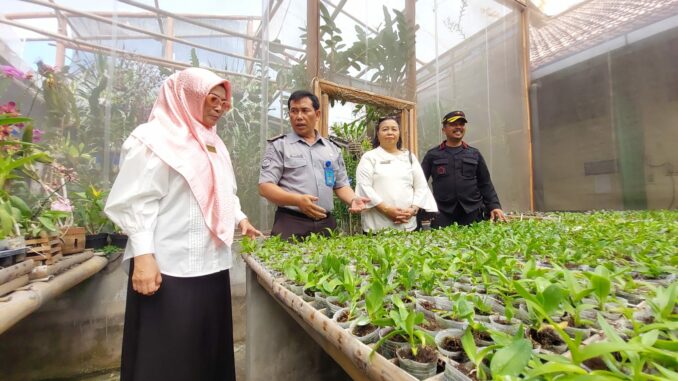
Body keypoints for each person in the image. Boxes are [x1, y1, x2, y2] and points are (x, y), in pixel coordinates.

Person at [105, 68, 262, 381]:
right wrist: (144, 257)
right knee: (167, 355)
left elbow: (224, 192)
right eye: (212, 99)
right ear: (186, 96)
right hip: (168, 266)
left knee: (206, 350)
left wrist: (240, 219)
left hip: (212, 263)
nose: (219, 107)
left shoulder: (215, 144)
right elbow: (136, 200)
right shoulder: (153, 139)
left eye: (224, 102)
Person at [258, 90, 368, 240]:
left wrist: (353, 199)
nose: (299, 117)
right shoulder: (280, 146)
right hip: (291, 222)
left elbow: (341, 185)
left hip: (326, 223)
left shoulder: (332, 149)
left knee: (329, 263)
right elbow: (265, 187)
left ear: (317, 115)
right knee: (286, 263)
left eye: (304, 110)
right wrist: (297, 200)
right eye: (294, 111)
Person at [421, 110, 507, 228]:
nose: (458, 127)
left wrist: (494, 206)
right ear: (444, 129)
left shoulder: (474, 154)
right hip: (442, 212)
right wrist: (421, 207)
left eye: (461, 124)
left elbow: (485, 183)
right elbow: (420, 183)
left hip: (472, 211)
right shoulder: (433, 155)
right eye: (453, 124)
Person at [355, 116, 437, 232]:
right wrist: (387, 210)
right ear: (377, 134)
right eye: (385, 129)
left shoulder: (409, 157)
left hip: (407, 225)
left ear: (399, 134)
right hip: (377, 226)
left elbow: (421, 187)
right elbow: (364, 187)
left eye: (394, 129)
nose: (390, 132)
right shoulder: (369, 157)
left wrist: (413, 210)